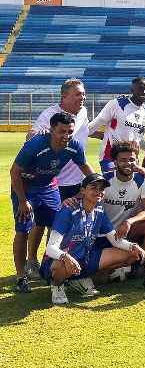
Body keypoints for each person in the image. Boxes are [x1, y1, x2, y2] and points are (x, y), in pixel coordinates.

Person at [10, 112, 93, 293]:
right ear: (51, 130)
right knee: (23, 230)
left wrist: (97, 183)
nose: (66, 136)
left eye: (70, 131)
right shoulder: (36, 144)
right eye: (62, 131)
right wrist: (23, 201)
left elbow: (85, 166)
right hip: (25, 187)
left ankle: (49, 269)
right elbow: (14, 172)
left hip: (49, 187)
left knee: (58, 228)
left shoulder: (74, 146)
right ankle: (21, 277)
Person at [41, 174, 145, 305]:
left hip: (85, 258)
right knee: (60, 264)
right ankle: (57, 286)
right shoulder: (68, 210)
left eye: (101, 189)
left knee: (131, 254)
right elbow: (50, 248)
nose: (98, 192)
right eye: (93, 188)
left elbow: (115, 240)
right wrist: (66, 257)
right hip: (58, 261)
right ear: (83, 191)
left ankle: (77, 279)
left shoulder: (99, 211)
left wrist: (133, 246)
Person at [26, 79, 91, 277]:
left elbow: (84, 131)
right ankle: (31, 261)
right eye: (78, 94)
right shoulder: (50, 114)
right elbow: (31, 136)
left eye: (83, 94)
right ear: (64, 96)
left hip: (76, 180)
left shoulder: (83, 112)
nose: (83, 97)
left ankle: (51, 261)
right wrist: (38, 134)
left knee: (64, 224)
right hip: (53, 180)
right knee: (42, 222)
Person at [100, 142, 145, 290]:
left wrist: (129, 221)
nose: (128, 163)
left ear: (137, 161)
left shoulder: (143, 180)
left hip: (127, 231)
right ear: (115, 162)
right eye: (123, 160)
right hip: (104, 234)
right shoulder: (104, 180)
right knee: (101, 280)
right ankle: (125, 266)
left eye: (132, 160)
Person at [88, 76, 145, 172]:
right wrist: (78, 134)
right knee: (113, 180)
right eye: (140, 88)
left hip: (132, 160)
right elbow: (95, 124)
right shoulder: (117, 104)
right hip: (110, 157)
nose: (144, 92)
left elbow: (137, 139)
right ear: (132, 90)